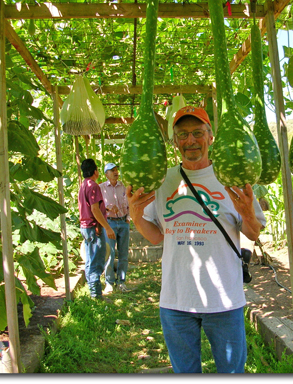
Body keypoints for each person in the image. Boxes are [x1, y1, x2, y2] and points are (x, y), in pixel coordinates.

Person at [126, 106, 266, 373]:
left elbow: (253, 233)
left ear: (210, 137)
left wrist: (249, 214)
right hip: (176, 301)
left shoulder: (232, 177)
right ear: (175, 141)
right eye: (183, 134)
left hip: (224, 301)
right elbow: (157, 236)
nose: (190, 141)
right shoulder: (163, 180)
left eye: (197, 133)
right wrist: (136, 218)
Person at [78, 158, 115, 299]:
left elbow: (89, 207)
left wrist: (103, 209)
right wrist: (107, 227)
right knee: (97, 262)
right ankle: (96, 295)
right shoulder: (94, 186)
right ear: (95, 171)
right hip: (94, 228)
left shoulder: (84, 185)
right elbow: (94, 209)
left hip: (86, 227)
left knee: (90, 261)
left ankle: (92, 290)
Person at [100, 162, 131, 293]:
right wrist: (107, 207)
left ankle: (121, 282)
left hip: (123, 221)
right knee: (110, 254)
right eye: (112, 170)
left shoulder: (123, 186)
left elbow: (129, 202)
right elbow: (97, 206)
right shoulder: (101, 188)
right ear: (106, 174)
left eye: (116, 169)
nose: (116, 172)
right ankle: (109, 283)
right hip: (110, 222)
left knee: (123, 253)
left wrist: (128, 218)